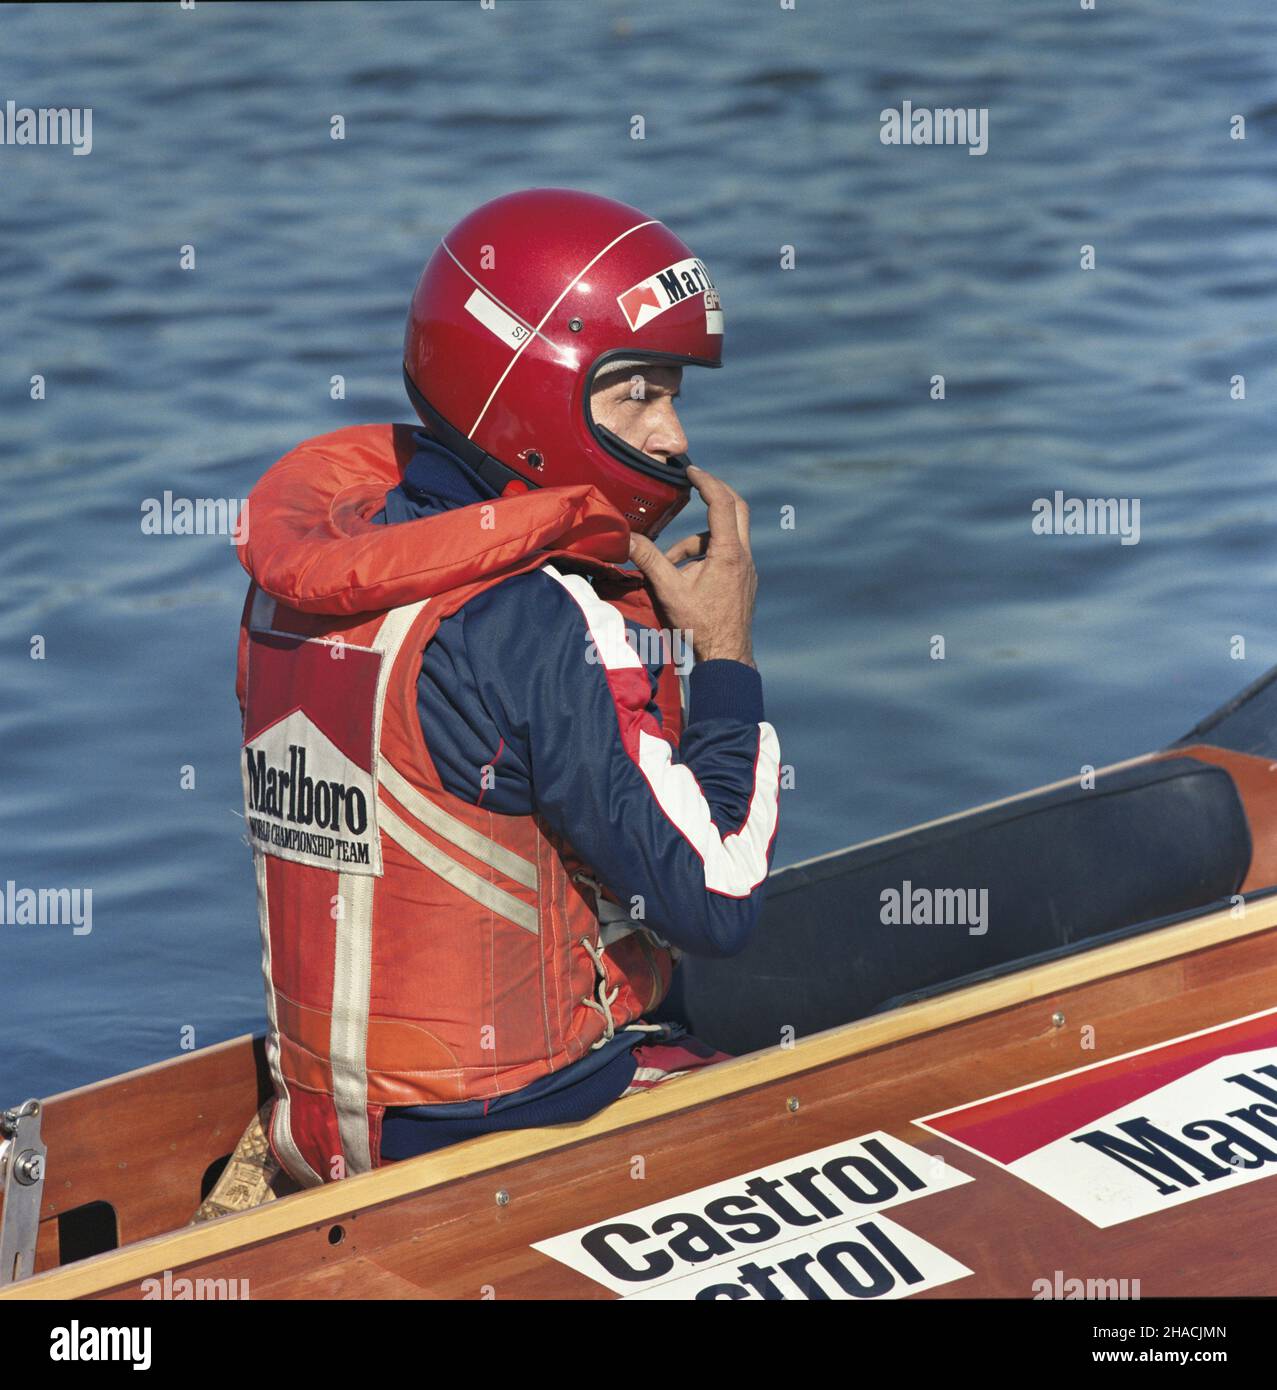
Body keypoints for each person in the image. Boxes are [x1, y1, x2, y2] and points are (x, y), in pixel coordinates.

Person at [228, 188, 781, 1197]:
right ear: (529, 392)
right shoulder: (531, 619)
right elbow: (716, 898)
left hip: (331, 1129)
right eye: (637, 394)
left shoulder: (300, 588)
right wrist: (725, 652)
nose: (671, 440)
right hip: (516, 1128)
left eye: (674, 397)